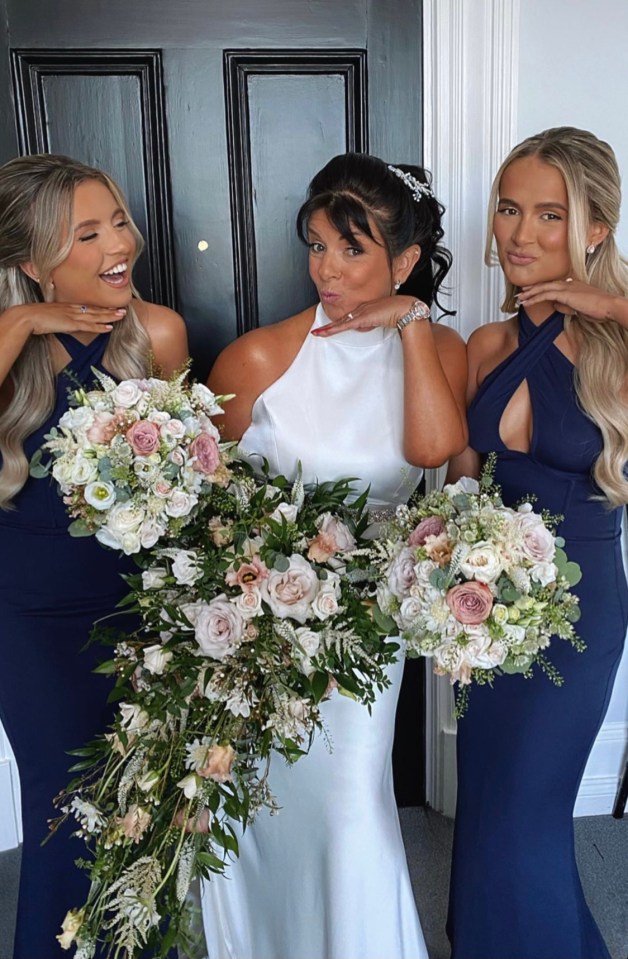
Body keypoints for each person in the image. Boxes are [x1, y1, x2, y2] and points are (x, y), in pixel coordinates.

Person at [202, 152, 467, 959]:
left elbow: (433, 449)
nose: (328, 270)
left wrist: (410, 323)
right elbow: (206, 512)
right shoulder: (256, 360)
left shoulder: (443, 351)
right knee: (260, 807)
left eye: (352, 250)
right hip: (262, 632)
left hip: (367, 633)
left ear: (405, 260)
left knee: (352, 806)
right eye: (317, 245)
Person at [0, 153, 189, 959]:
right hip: (28, 615)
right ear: (33, 263)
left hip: (136, 607)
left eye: (117, 219)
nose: (119, 243)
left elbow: (190, 482)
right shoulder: (9, 344)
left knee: (140, 801)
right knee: (62, 804)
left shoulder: (161, 331)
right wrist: (20, 327)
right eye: (88, 232)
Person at [446, 126, 628, 959]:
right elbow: (458, 487)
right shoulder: (488, 344)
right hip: (489, 611)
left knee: (528, 808)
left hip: (580, 608)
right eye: (509, 208)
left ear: (596, 224)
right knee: (491, 800)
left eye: (548, 214)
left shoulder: (618, 350)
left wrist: (607, 304)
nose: (519, 234)